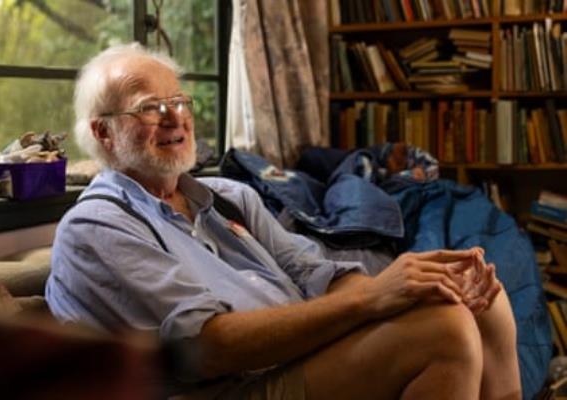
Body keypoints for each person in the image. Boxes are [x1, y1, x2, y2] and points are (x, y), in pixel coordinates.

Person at [46, 43, 521, 400]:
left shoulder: (230, 196)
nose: (175, 117)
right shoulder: (96, 227)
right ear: (103, 132)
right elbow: (208, 348)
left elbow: (316, 273)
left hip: (297, 357)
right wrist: (375, 299)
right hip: (228, 386)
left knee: (477, 298)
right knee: (445, 330)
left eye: (180, 101)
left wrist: (410, 288)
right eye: (150, 107)